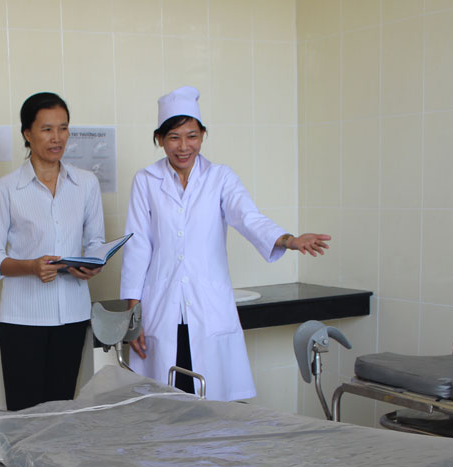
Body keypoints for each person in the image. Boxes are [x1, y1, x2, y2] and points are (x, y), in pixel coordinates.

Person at [120, 86, 330, 402]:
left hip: (208, 307)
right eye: (174, 137)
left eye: (192, 136)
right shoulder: (146, 180)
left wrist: (288, 240)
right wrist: (133, 315)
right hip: (161, 307)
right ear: (159, 139)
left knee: (212, 402)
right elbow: (138, 246)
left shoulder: (220, 178)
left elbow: (247, 217)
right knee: (166, 402)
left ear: (203, 136)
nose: (183, 147)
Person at [0, 92, 104, 467]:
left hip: (71, 314)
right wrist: (30, 266)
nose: (57, 137)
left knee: (61, 415)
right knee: (26, 419)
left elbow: (96, 241)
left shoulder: (85, 183)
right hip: (22, 319)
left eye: (63, 127)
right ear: (27, 134)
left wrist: (92, 263)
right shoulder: (6, 188)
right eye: (47, 129)